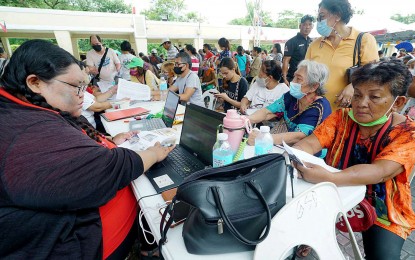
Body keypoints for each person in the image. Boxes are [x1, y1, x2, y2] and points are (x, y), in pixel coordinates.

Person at [0, 39, 174, 259]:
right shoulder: (25, 130)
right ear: (35, 83)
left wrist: (109, 140)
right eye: (77, 87)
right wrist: (154, 153)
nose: (83, 93)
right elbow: (110, 169)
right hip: (86, 246)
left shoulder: (29, 110)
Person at [292, 59, 415, 260]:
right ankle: (309, 238)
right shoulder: (342, 117)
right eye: (357, 95)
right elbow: (310, 143)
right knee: (299, 225)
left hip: (384, 208)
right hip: (334, 191)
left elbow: (380, 172)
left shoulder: (408, 133)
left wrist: (326, 177)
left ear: (398, 102)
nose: (361, 103)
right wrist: (297, 155)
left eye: (374, 97)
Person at [305, 0, 378, 110]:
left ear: (337, 16)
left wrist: (353, 86)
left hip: (347, 112)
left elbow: (374, 73)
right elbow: (305, 75)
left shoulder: (364, 40)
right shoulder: (315, 45)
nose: (319, 21)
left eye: (322, 16)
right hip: (315, 111)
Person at [247, 60, 331, 154]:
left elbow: (298, 136)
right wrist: (246, 120)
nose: (292, 81)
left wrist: (264, 138)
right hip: (289, 148)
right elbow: (267, 112)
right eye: (294, 76)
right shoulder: (291, 96)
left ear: (314, 86)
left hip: (310, 157)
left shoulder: (319, 107)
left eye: (298, 79)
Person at [282, 15, 315, 86]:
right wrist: (284, 78)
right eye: (305, 24)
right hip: (294, 77)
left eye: (310, 24)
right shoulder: (291, 42)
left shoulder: (312, 42)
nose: (307, 27)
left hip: (308, 78)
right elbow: (286, 60)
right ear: (300, 26)